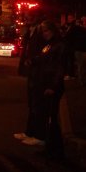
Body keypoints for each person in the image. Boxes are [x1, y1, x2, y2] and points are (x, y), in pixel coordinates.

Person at [29, 20, 67, 160]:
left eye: (47, 31)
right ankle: (50, 147)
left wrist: (53, 86)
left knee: (52, 118)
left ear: (53, 30)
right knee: (46, 116)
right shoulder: (50, 45)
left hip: (51, 85)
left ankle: (56, 150)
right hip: (44, 82)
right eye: (43, 31)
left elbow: (59, 67)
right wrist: (34, 61)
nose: (45, 34)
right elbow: (44, 59)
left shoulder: (59, 45)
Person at [14, 10, 46, 144]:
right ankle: (29, 132)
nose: (25, 20)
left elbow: (45, 51)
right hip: (32, 71)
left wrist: (34, 60)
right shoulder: (30, 31)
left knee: (38, 104)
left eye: (28, 17)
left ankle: (39, 136)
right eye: (25, 17)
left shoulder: (40, 31)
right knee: (32, 103)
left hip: (39, 71)